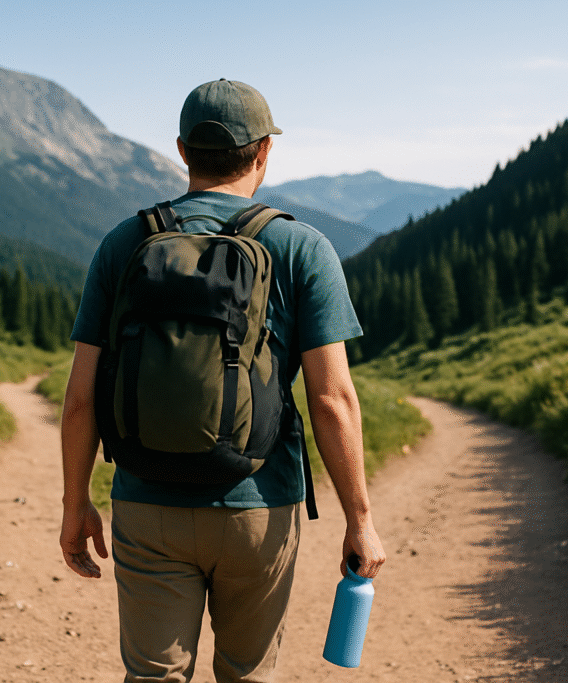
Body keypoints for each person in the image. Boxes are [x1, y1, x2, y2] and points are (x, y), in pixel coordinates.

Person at [59, 78, 385, 683]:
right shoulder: (300, 247)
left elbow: (80, 400)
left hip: (146, 500)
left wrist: (75, 502)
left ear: (182, 151)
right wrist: (359, 518)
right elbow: (332, 399)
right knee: (248, 674)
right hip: (258, 508)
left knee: (153, 676)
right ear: (263, 152)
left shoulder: (125, 243)